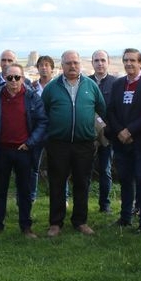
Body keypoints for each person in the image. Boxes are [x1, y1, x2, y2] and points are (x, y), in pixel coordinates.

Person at [42, 50, 106, 237]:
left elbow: (101, 109)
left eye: (75, 63)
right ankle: (55, 223)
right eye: (68, 63)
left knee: (82, 183)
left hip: (84, 144)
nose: (72, 66)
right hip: (58, 144)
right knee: (57, 183)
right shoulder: (52, 88)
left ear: (80, 64)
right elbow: (42, 112)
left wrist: (94, 133)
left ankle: (80, 221)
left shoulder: (91, 86)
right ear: (61, 66)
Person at [0, 63, 47, 239]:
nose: (13, 81)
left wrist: (30, 142)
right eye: (9, 77)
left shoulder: (32, 97)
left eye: (17, 77)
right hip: (1, 151)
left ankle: (26, 226)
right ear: (5, 78)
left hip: (24, 151)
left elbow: (42, 122)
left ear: (23, 78)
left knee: (24, 191)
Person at [106, 48, 141, 232]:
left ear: (140, 63)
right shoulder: (118, 84)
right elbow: (110, 110)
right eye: (126, 60)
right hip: (121, 142)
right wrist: (120, 131)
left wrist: (130, 130)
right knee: (126, 180)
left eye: (133, 60)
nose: (129, 64)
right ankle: (125, 216)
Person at [90, 50, 115, 214]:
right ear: (92, 63)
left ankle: (104, 204)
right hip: (88, 135)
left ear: (108, 62)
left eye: (103, 60)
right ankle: (82, 202)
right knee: (84, 170)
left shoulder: (116, 83)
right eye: (96, 60)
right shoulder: (85, 81)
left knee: (105, 170)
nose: (100, 63)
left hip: (107, 134)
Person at [29, 55, 54, 203]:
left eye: (47, 65)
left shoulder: (59, 86)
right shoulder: (31, 87)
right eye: (41, 65)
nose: (44, 68)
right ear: (37, 68)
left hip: (54, 131)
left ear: (52, 68)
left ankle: (62, 197)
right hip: (36, 131)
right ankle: (31, 197)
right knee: (33, 167)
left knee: (58, 167)